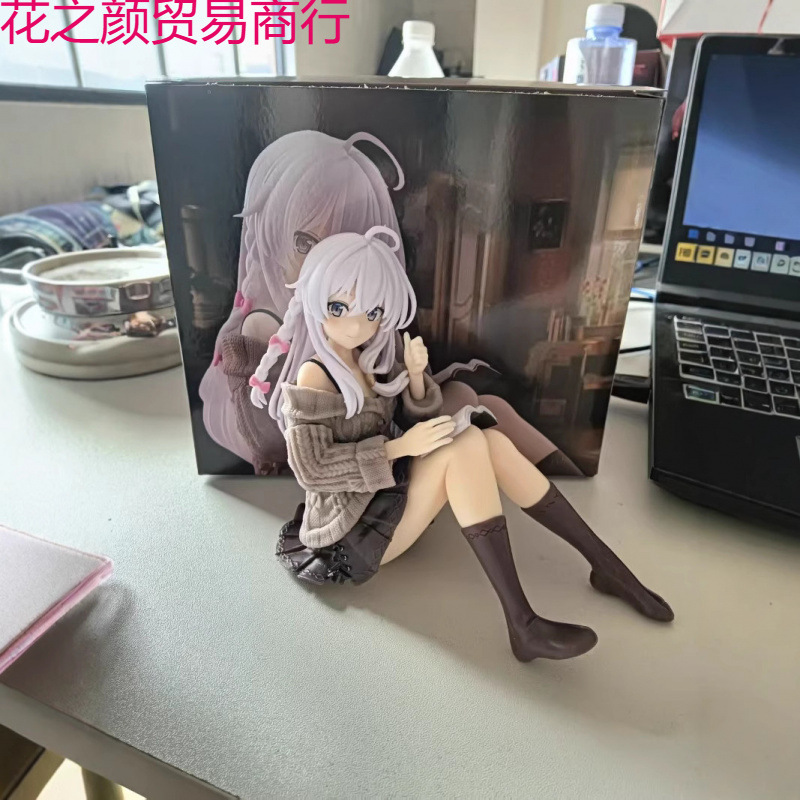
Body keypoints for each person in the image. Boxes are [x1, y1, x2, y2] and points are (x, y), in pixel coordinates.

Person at [250, 226, 673, 663]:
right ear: (316, 298)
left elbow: (414, 420)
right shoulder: (315, 375)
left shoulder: (370, 359)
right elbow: (312, 469)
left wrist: (416, 377)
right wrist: (398, 449)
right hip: (352, 532)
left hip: (386, 496)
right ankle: (523, 623)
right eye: (339, 308)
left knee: (492, 440)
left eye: (372, 312)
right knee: (467, 445)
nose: (357, 325)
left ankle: (605, 565)